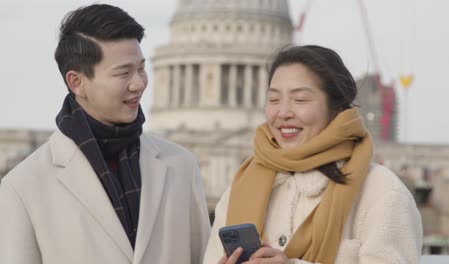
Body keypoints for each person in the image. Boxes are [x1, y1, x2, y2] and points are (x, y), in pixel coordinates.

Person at [0, 4, 210, 264]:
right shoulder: (23, 186)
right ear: (76, 82)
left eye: (142, 69)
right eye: (123, 73)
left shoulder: (181, 165)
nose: (139, 84)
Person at [203, 45, 423, 264]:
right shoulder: (241, 188)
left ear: (336, 109)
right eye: (274, 100)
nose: (283, 113)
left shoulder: (381, 191)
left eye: (300, 100)